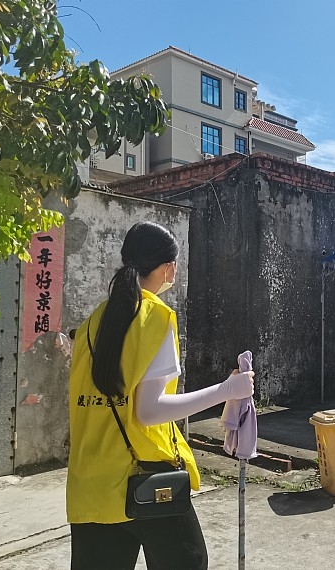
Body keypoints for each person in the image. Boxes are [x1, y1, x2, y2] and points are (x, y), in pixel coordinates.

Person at [66, 222, 255, 570]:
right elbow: (149, 411)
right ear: (168, 268)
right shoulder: (155, 317)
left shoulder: (92, 322)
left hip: (90, 480)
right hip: (146, 474)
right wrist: (228, 390)